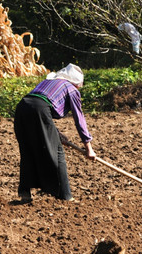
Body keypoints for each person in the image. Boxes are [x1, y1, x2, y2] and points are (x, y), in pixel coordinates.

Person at [14, 63, 96, 202]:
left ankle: (25, 193)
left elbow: (38, 105)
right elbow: (79, 118)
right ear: (76, 83)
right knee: (58, 152)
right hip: (38, 111)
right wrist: (89, 148)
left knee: (28, 150)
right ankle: (65, 195)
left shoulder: (49, 82)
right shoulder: (71, 89)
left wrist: (56, 133)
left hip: (22, 108)